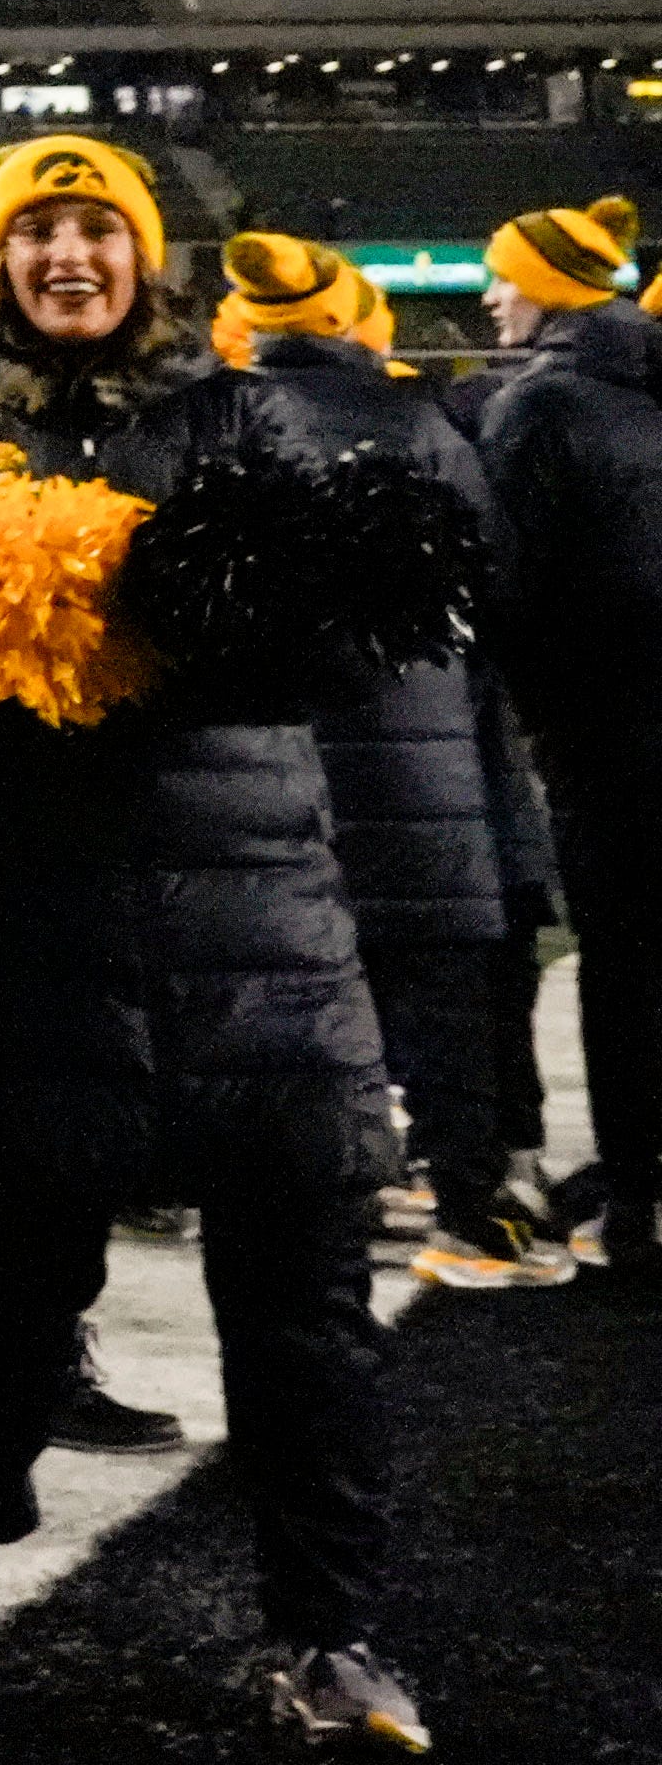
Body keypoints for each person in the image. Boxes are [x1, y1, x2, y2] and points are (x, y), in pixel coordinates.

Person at [0, 137, 420, 1749]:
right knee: (4, 1288)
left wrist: (197, 610)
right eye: (38, 232)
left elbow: (347, 651)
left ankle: (333, 1633)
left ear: (143, 255)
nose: (68, 256)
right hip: (36, 918)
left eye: (97, 228)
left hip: (260, 926)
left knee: (305, 1308)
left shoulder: (241, 407)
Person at [215, 231, 542, 1286]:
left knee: (301, 1001)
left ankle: (330, 1204)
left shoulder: (228, 423)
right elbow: (492, 587)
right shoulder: (419, 419)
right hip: (427, 752)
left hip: (283, 759)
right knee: (440, 991)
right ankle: (467, 1209)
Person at [474, 201, 658, 1281]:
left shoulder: (540, 406)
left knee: (624, 968)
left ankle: (638, 1194)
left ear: (547, 284)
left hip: (607, 737)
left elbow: (506, 591)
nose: (491, 297)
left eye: (503, 278)